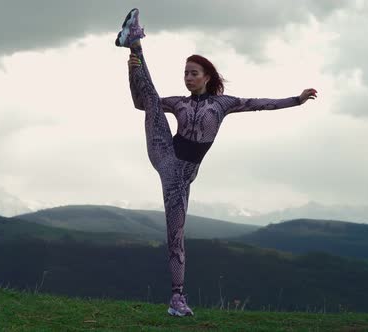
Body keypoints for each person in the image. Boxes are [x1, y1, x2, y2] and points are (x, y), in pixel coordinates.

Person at [115, 8, 317, 317]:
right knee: (154, 101)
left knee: (176, 234)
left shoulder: (223, 104)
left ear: (207, 76)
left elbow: (262, 104)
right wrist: (133, 70)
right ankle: (134, 45)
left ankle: (177, 299)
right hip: (166, 159)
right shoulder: (179, 103)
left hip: (184, 175)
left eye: (193, 73)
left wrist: (297, 100)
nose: (188, 77)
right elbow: (140, 103)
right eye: (185, 73)